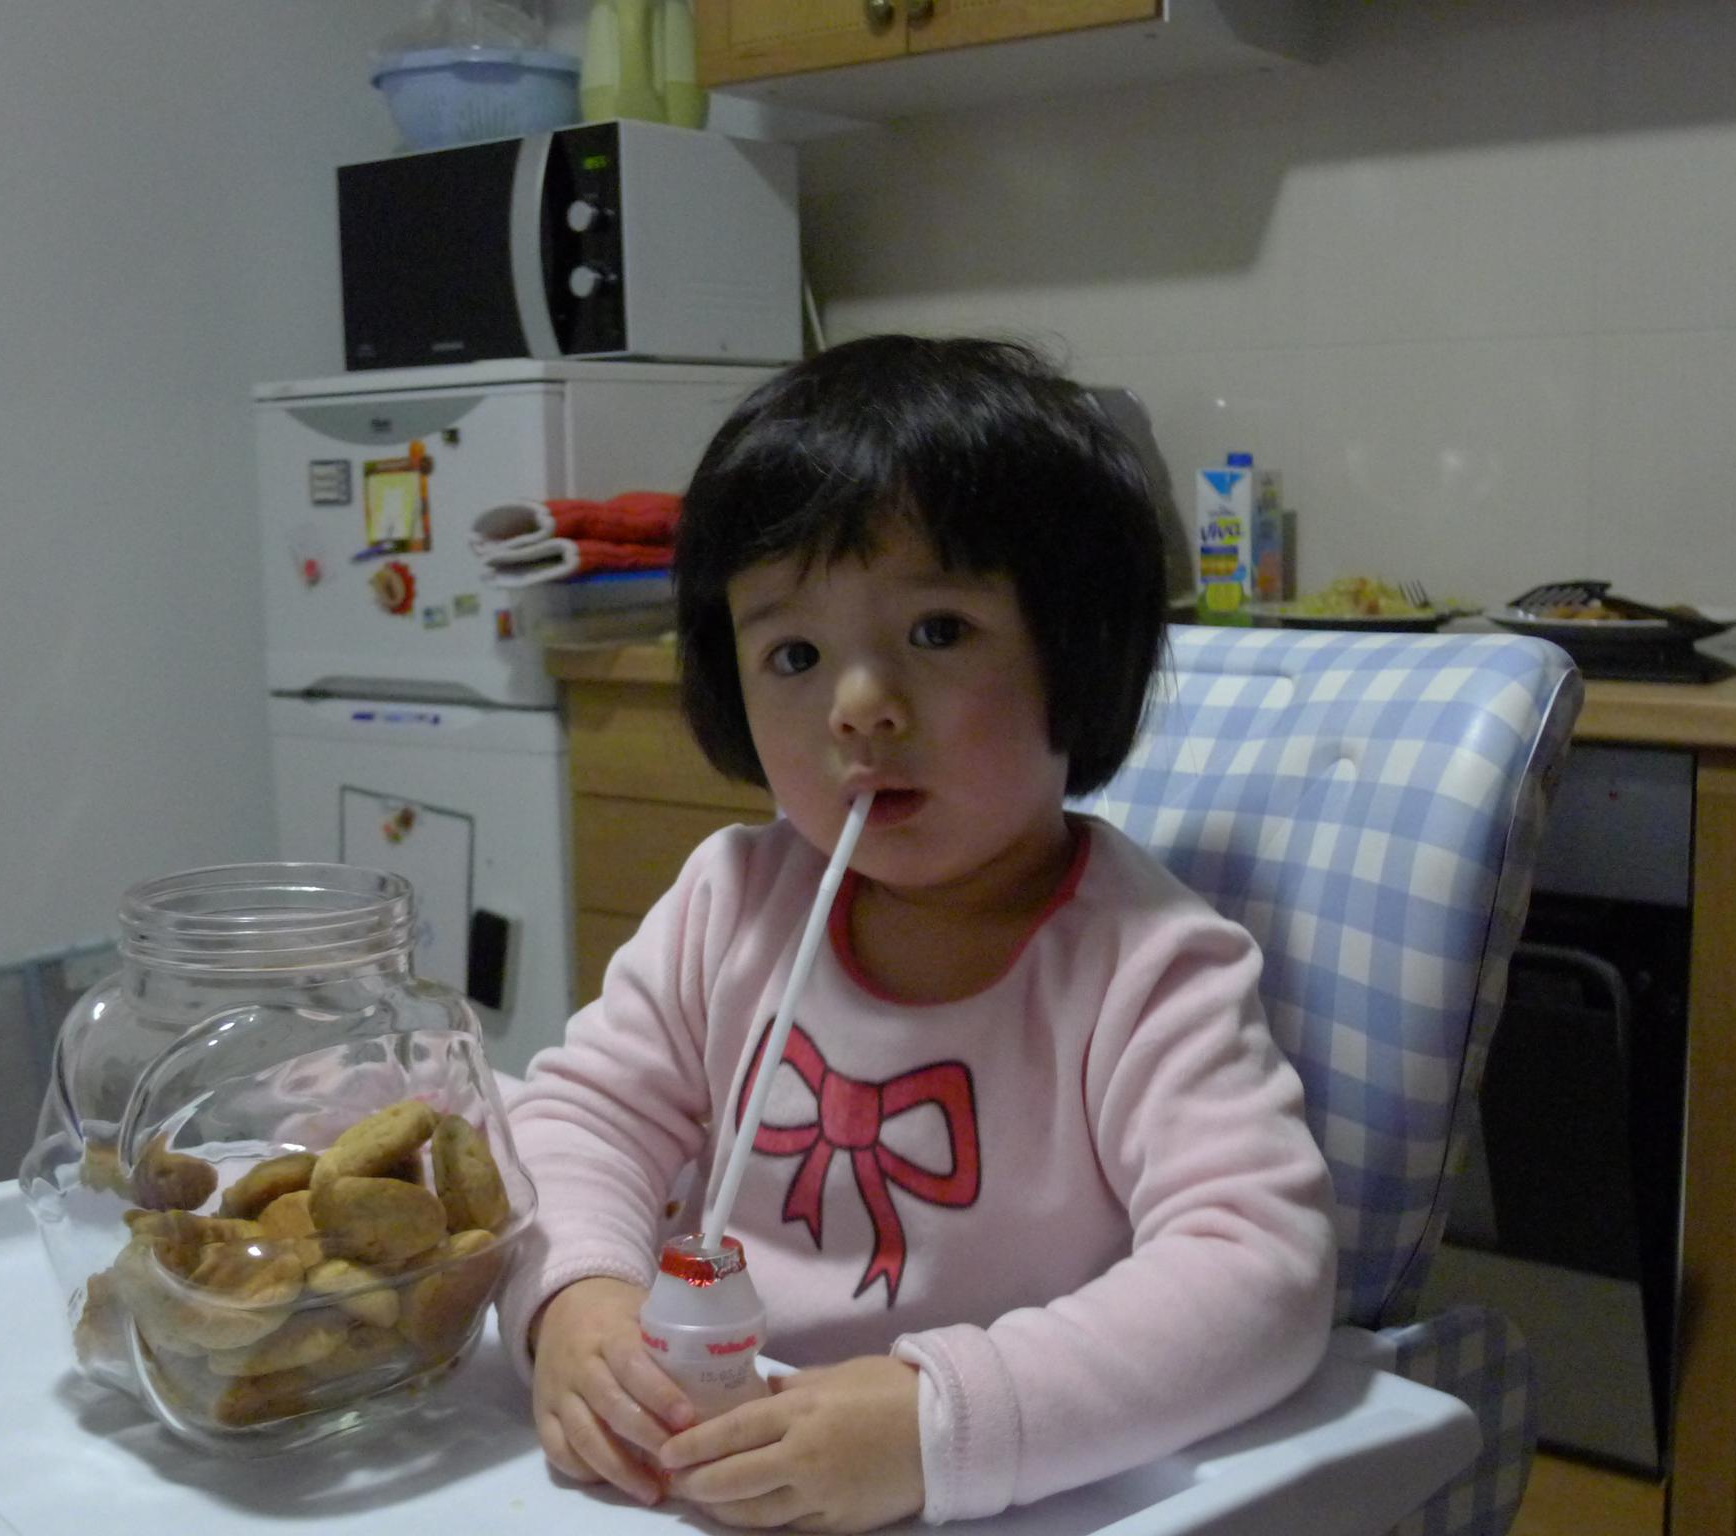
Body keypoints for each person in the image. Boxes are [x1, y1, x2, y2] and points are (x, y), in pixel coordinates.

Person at [499, 334, 1337, 1530]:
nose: (857, 707)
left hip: (1000, 1493)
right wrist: (574, 1297)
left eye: (937, 631)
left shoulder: (1148, 967)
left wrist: (941, 1420)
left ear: (1076, 654)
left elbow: (1258, 1272)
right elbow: (582, 1120)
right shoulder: (729, 901)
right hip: (689, 1466)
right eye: (792, 654)